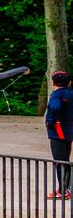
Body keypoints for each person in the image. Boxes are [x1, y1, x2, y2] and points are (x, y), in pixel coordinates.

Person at [47, 71, 73, 199]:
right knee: (66, 159)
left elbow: (55, 108)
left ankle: (63, 190)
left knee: (59, 161)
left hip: (58, 131)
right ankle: (67, 188)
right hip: (68, 130)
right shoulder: (71, 93)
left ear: (53, 82)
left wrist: (50, 122)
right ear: (69, 82)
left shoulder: (56, 95)